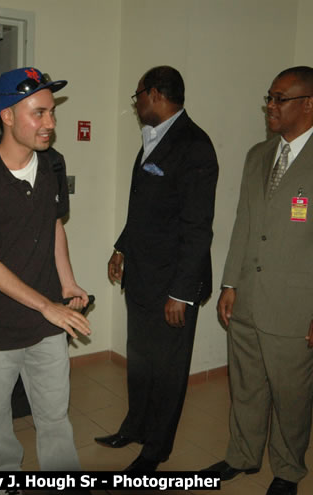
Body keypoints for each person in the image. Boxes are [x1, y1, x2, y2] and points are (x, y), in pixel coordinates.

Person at [202, 66, 313, 495]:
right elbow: (244, 223)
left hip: (299, 308)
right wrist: (229, 282)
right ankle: (242, 455)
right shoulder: (259, 154)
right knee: (247, 386)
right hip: (249, 300)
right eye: (269, 98)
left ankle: (289, 469)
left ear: (309, 104)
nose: (270, 107)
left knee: (292, 397)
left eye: (279, 98)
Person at [0, 67, 90, 495]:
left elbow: (53, 226)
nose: (49, 123)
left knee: (54, 417)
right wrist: (47, 305)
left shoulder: (52, 164)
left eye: (51, 112)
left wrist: (67, 285)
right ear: (7, 115)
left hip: (47, 323)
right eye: (38, 113)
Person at [94, 66, 218, 472]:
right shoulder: (152, 139)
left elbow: (198, 227)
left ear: (155, 94)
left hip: (173, 283)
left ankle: (156, 448)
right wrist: (121, 247)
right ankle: (136, 426)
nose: (135, 104)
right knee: (141, 357)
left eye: (137, 96)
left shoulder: (195, 146)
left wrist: (181, 292)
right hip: (143, 275)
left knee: (167, 368)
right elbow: (146, 207)